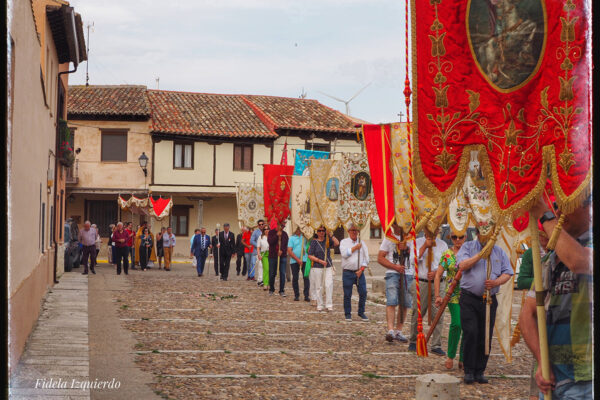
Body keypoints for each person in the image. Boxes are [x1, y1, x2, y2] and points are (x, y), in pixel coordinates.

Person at [519, 195, 592, 399]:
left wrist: (544, 214)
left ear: (588, 207)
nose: (558, 212)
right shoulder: (550, 259)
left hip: (586, 381)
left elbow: (579, 261)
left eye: (565, 206)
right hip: (552, 380)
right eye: (555, 207)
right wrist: (542, 361)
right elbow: (527, 314)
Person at [456, 225, 513, 384]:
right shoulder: (467, 247)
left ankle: (480, 370)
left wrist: (495, 282)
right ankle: (469, 370)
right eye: (484, 234)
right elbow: (462, 266)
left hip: (489, 299)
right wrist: (481, 255)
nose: (486, 237)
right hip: (469, 298)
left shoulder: (499, 252)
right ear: (479, 234)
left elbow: (508, 272)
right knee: (471, 332)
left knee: (485, 334)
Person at [407, 227, 449, 356]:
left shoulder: (443, 245)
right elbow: (412, 261)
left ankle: (436, 344)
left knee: (438, 314)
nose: (434, 231)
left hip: (439, 283)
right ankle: (414, 340)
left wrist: (437, 272)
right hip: (422, 282)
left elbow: (447, 264)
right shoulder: (417, 242)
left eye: (436, 229)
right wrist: (425, 245)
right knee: (417, 312)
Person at [434, 230, 467, 370]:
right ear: (451, 238)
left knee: (468, 327)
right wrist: (437, 295)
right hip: (453, 294)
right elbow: (437, 275)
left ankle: (464, 357)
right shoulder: (447, 254)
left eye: (460, 237)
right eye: (454, 237)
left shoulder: (470, 253)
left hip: (469, 293)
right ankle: (450, 356)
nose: (457, 240)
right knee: (457, 324)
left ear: (465, 237)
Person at [377, 223, 413, 343]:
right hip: (393, 273)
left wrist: (407, 248)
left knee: (405, 303)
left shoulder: (411, 237)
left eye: (396, 224)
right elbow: (380, 258)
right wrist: (395, 267)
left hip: (408, 273)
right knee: (392, 300)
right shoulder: (388, 238)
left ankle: (399, 331)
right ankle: (390, 330)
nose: (394, 226)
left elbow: (417, 256)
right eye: (393, 224)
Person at [339, 224, 369, 322]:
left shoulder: (362, 243)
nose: (354, 232)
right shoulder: (344, 242)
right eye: (352, 230)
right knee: (347, 294)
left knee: (363, 292)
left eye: (356, 230)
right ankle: (348, 314)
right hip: (347, 272)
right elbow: (344, 254)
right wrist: (355, 248)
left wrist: (362, 269)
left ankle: (361, 312)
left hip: (359, 272)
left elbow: (366, 258)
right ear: (348, 231)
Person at [307, 226, 339, 311]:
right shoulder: (314, 242)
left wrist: (330, 234)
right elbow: (310, 255)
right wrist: (319, 261)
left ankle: (329, 304)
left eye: (323, 231)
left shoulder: (327, 240)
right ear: (317, 232)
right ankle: (320, 304)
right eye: (319, 231)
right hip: (317, 267)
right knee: (319, 286)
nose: (321, 232)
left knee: (329, 284)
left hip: (328, 266)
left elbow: (337, 243)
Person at [287, 227, 310, 302]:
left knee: (306, 277)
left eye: (299, 229)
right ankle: (296, 295)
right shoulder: (292, 238)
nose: (298, 230)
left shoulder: (305, 237)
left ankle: (306, 295)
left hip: (305, 259)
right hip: (294, 260)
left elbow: (309, 247)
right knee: (295, 278)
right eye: (297, 229)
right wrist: (297, 259)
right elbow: (289, 250)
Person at [267, 221, 289, 296]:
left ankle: (282, 290)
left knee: (282, 273)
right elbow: (270, 242)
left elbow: (285, 244)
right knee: (272, 273)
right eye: (281, 226)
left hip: (282, 256)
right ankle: (271, 289)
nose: (282, 228)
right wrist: (277, 235)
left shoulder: (285, 234)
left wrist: (282, 250)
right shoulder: (271, 232)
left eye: (283, 226)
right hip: (273, 256)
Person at [249, 220, 265, 284]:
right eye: (259, 224)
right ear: (258, 225)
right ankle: (260, 280)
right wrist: (258, 246)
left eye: (262, 224)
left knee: (265, 266)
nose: (261, 225)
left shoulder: (267, 231)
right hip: (257, 251)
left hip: (265, 251)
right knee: (260, 265)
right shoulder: (255, 232)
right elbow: (251, 241)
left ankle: (264, 279)